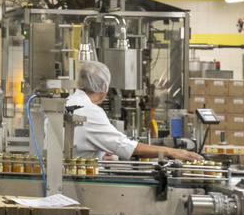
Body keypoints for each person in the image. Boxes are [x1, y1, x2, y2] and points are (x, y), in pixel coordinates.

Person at [65, 60, 196, 164]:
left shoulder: (69, 102)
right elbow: (126, 147)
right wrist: (172, 152)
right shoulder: (90, 111)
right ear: (104, 87)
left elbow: (79, 144)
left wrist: (98, 154)